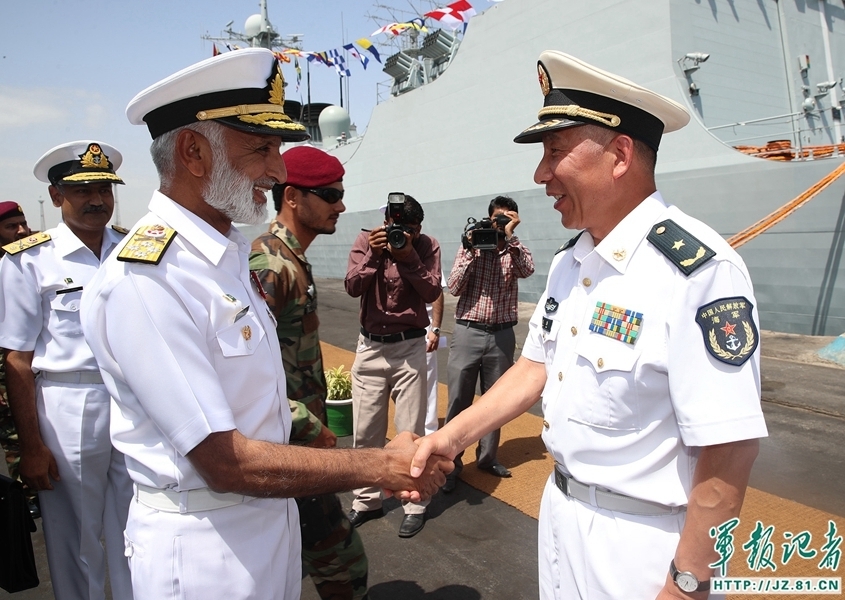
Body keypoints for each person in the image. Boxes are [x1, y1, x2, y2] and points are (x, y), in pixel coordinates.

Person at [79, 49, 449, 600]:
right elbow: (223, 462)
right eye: (261, 149)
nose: (277, 172)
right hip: (205, 546)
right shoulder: (149, 279)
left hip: (265, 522)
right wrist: (379, 465)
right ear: (193, 151)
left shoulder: (223, 258)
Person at [407, 51, 768, 599]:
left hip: (644, 547)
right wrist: (449, 439)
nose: (540, 174)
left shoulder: (698, 272)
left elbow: (730, 447)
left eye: (555, 152)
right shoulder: (571, 262)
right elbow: (534, 368)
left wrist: (687, 583)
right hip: (561, 517)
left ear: (620, 155)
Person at [0, 142, 133, 600]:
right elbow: (17, 359)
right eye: (83, 191)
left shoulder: (133, 249)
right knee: (76, 536)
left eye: (104, 189)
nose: (97, 200)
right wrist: (31, 446)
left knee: (138, 525)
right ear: (57, 196)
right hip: (69, 403)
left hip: (132, 400)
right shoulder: (27, 260)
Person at [249, 146, 369, 600]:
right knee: (342, 564)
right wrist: (306, 424)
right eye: (330, 195)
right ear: (293, 197)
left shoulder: (288, 258)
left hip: (295, 440)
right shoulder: (271, 264)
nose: (341, 205)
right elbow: (246, 372)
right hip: (286, 442)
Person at [345, 193, 442, 538]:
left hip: (409, 348)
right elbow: (352, 286)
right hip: (370, 348)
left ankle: (414, 504)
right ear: (386, 222)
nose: (406, 234)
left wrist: (408, 256)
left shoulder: (426, 246)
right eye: (399, 228)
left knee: (410, 433)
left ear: (419, 228)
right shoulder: (366, 241)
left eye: (413, 229)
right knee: (365, 432)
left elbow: (432, 292)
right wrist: (375, 254)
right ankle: (366, 500)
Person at [442, 195, 534, 493]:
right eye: (498, 218)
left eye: (508, 218)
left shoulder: (514, 250)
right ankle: (450, 463)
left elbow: (527, 270)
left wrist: (511, 238)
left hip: (501, 334)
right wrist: (472, 250)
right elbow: (454, 287)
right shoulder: (471, 244)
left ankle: (487, 458)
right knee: (459, 399)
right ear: (488, 217)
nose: (501, 223)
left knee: (496, 402)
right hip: (468, 331)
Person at [0, 201, 36, 515]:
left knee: (20, 435)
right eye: (12, 226)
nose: (22, 231)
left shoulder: (31, 264)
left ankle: (28, 498)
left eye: (23, 223)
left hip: (21, 372)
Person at [424, 287, 445, 436]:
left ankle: (429, 431)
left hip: (424, 328)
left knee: (428, 382)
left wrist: (435, 328)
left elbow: (437, 289)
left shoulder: (430, 265)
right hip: (393, 329)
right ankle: (405, 430)